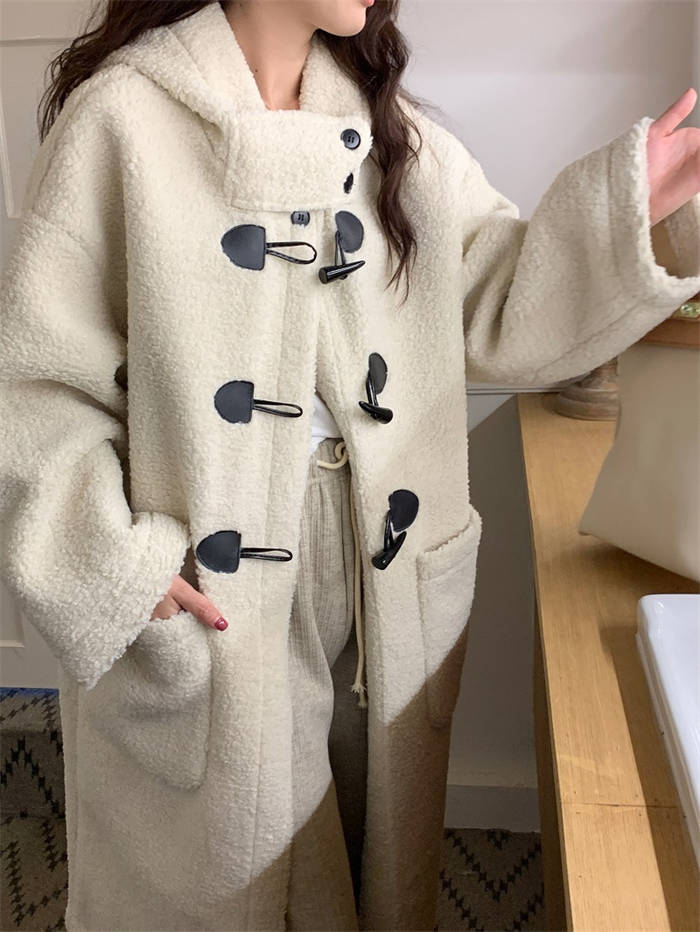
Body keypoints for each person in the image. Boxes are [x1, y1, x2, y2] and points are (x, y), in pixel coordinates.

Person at [1, 0, 699, 929]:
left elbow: (493, 297)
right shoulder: (124, 117)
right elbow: (39, 385)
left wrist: (632, 217)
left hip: (381, 561)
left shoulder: (381, 122)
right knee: (246, 874)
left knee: (372, 846)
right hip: (217, 573)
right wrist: (122, 571)